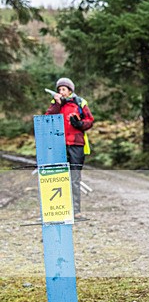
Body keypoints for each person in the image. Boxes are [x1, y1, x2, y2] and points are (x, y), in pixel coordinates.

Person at [45, 77, 94, 219]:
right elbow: (47, 118)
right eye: (59, 89)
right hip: (59, 144)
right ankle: (60, 210)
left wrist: (79, 124)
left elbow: (89, 121)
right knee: (58, 177)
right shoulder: (56, 103)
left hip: (77, 145)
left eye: (64, 89)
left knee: (74, 179)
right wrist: (57, 104)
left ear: (70, 90)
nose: (61, 92)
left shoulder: (80, 102)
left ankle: (76, 211)